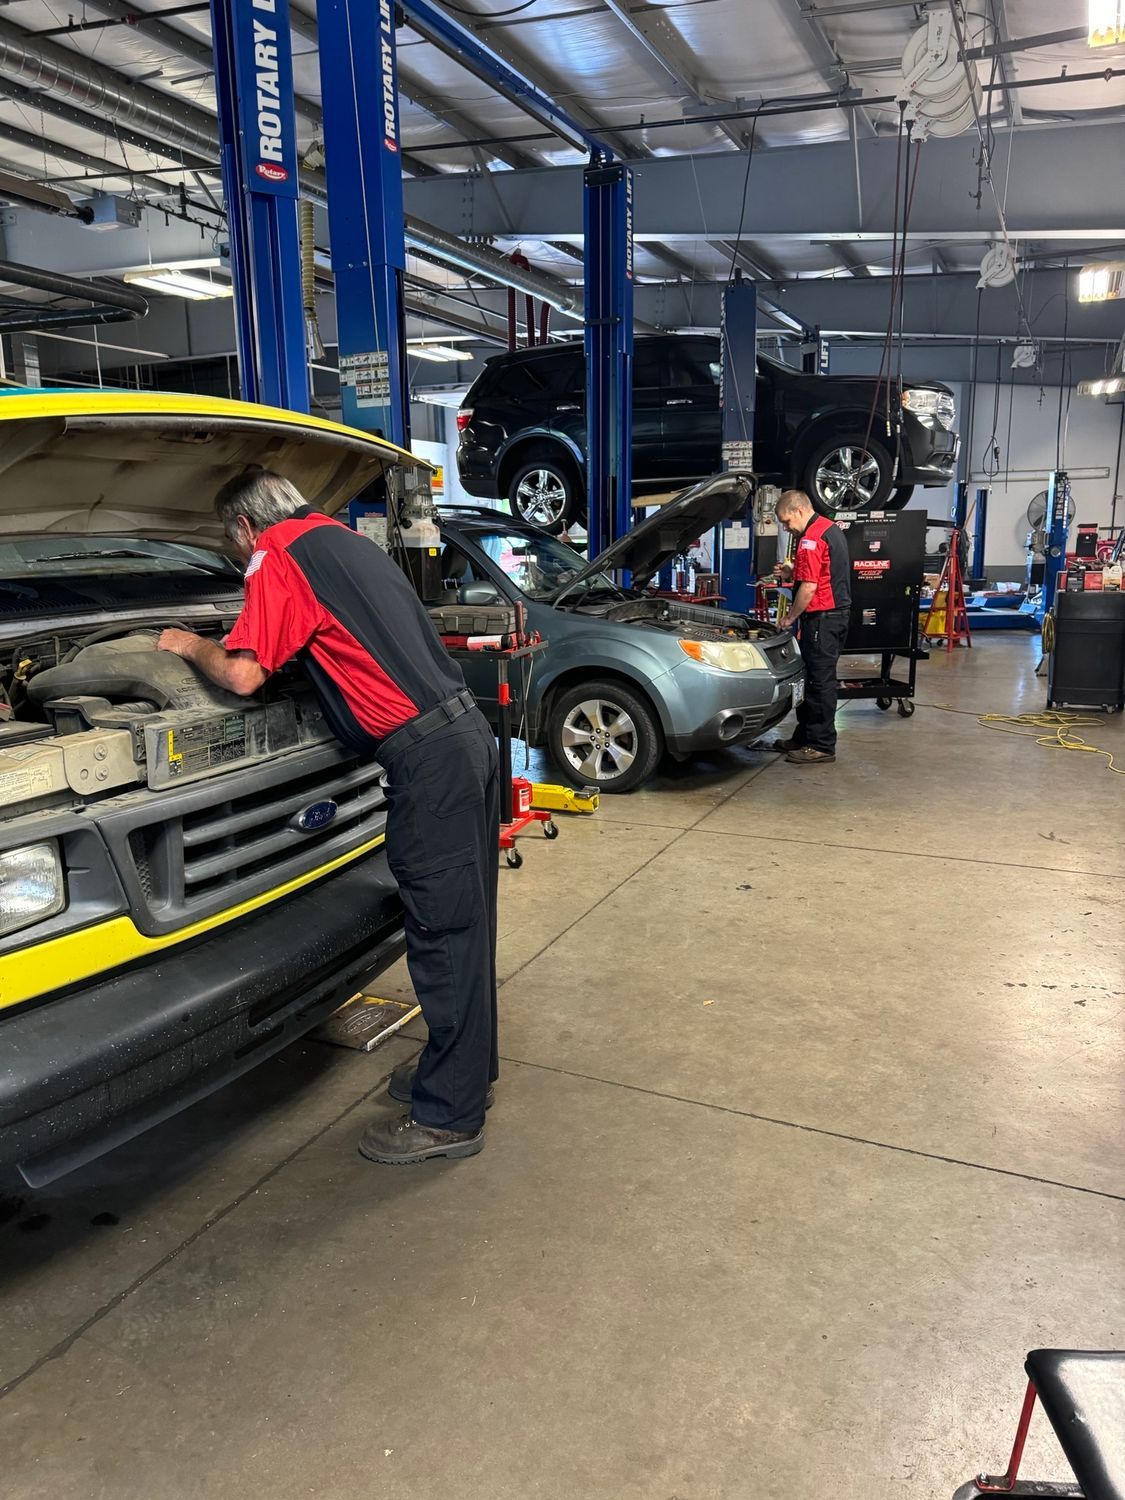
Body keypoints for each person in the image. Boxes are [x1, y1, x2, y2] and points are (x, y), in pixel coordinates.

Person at [156, 468, 499, 1165]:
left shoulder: (275, 552)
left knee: (441, 930)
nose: (239, 557)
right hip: (465, 738)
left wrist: (187, 645)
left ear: (247, 529)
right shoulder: (342, 542)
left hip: (428, 762)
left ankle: (448, 1117)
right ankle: (463, 1073)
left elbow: (245, 675)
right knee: (467, 923)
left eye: (232, 544)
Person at [772, 488, 852, 765]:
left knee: (819, 683)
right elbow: (821, 573)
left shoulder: (811, 539)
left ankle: (821, 745)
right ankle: (803, 737)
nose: (786, 527)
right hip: (833, 617)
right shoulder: (828, 528)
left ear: (798, 510)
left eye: (786, 521)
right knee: (811, 681)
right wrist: (791, 572)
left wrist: (789, 618)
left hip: (823, 619)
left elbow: (809, 587)